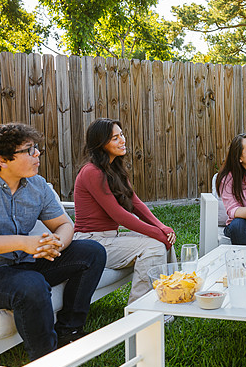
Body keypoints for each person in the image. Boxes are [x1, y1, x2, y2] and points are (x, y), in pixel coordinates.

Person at [0, 123, 106, 361]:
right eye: (29, 150)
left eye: (36, 148)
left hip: (21, 264)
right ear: (3, 160)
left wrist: (57, 242)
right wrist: (22, 242)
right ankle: (47, 366)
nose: (37, 154)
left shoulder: (36, 185)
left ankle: (69, 332)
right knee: (32, 284)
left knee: (91, 252)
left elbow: (65, 225)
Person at [73, 118, 176, 304]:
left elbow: (135, 203)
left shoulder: (114, 168)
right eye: (115, 138)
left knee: (164, 241)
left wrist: (162, 228)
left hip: (110, 238)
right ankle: (140, 310)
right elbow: (118, 215)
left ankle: (171, 295)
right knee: (154, 246)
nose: (123, 140)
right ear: (100, 144)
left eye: (121, 134)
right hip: (91, 242)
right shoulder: (92, 172)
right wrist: (156, 233)